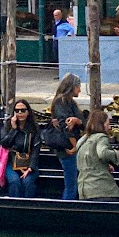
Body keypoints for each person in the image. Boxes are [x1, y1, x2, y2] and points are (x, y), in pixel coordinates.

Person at [45, 72, 85, 200]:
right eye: (78, 86)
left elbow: (80, 122)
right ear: (72, 87)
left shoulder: (69, 102)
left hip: (72, 147)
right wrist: (75, 146)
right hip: (68, 149)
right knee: (71, 184)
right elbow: (66, 127)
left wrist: (78, 121)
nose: (80, 90)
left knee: (74, 183)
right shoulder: (61, 102)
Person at [76, 109, 119, 201]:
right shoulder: (101, 137)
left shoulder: (83, 140)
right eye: (107, 124)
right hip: (101, 189)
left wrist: (105, 165)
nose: (109, 127)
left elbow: (89, 159)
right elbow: (103, 153)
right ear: (101, 124)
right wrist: (117, 154)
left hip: (84, 190)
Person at [0, 99, 41, 197]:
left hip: (28, 163)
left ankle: (29, 205)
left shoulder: (34, 128)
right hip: (11, 163)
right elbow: (4, 144)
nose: (20, 113)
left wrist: (30, 168)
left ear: (28, 112)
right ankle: (14, 205)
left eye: (23, 110)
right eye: (17, 111)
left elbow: (36, 151)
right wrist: (14, 129)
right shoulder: (8, 125)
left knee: (27, 182)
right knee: (14, 182)